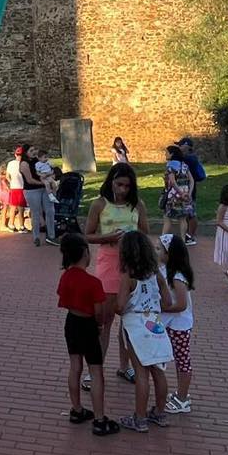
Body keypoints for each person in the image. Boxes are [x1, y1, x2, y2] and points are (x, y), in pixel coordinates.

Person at [84, 163, 148, 386]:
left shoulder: (137, 205)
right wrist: (107, 237)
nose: (122, 190)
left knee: (129, 320)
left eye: (127, 186)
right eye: (119, 184)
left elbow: (145, 233)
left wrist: (134, 241)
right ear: (110, 181)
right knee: (104, 321)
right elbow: (88, 235)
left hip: (132, 265)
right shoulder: (99, 204)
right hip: (109, 264)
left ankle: (125, 366)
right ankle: (95, 371)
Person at [57, 234, 118, 436]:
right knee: (95, 371)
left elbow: (63, 298)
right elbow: (99, 311)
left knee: (75, 366)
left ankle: (76, 409)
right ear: (85, 253)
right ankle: (100, 419)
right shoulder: (93, 283)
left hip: (72, 323)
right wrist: (99, 325)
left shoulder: (65, 276)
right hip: (88, 325)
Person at [115, 229, 174, 433]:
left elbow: (120, 306)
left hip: (135, 325)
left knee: (141, 372)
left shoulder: (128, 276)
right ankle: (160, 412)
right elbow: (167, 301)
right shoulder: (156, 273)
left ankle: (139, 418)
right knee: (158, 370)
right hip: (154, 322)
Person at [161, 234, 195, 414]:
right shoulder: (165, 270)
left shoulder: (177, 277)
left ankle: (183, 398)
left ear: (169, 254)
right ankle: (180, 394)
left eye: (160, 249)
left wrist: (162, 308)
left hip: (179, 325)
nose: (157, 252)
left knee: (183, 360)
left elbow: (181, 305)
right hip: (171, 323)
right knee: (178, 359)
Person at [160, 145, 194, 241]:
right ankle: (183, 239)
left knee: (167, 217)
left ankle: (163, 239)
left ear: (172, 154)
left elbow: (172, 181)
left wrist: (179, 192)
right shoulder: (184, 165)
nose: (165, 154)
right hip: (185, 194)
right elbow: (192, 180)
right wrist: (189, 194)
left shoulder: (171, 165)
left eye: (167, 152)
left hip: (173, 195)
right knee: (183, 218)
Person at [177, 138, 206, 246]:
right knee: (188, 214)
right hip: (185, 189)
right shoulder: (188, 158)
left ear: (186, 146)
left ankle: (190, 235)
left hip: (189, 191)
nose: (178, 148)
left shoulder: (190, 159)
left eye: (180, 145)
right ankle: (188, 234)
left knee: (191, 213)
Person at [4, 146, 28, 233]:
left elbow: (7, 176)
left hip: (14, 187)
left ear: (15, 154)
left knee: (13, 207)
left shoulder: (10, 163)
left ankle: (11, 224)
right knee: (21, 208)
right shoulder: (24, 164)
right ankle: (21, 226)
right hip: (22, 188)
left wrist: (11, 183)